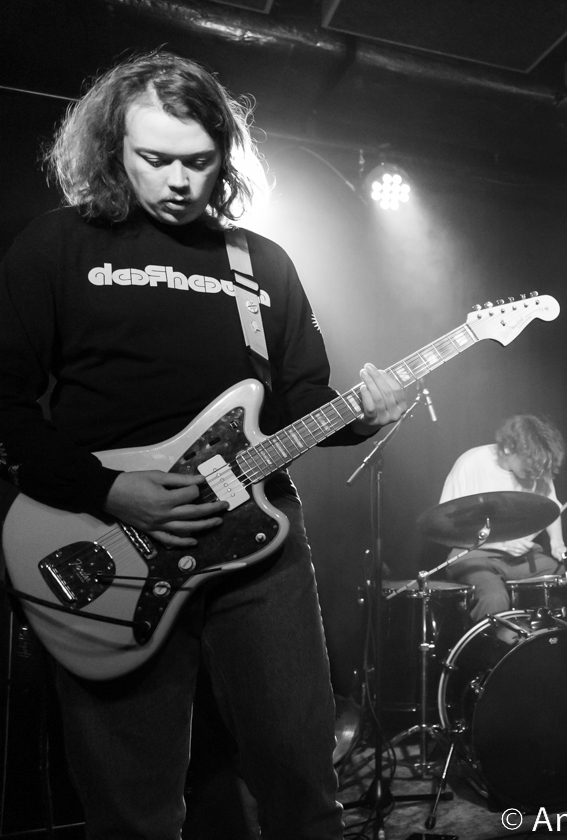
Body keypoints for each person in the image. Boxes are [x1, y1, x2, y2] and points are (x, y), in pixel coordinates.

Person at [0, 52, 405, 838]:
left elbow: (302, 398)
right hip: (107, 535)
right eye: (155, 159)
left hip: (258, 544)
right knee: (133, 803)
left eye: (198, 161)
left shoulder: (261, 262)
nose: (179, 181)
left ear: (224, 156)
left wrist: (366, 414)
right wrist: (106, 490)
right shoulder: (57, 246)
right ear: (114, 147)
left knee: (301, 775)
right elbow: (5, 400)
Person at [437, 414, 567, 619]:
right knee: (494, 598)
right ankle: (490, 640)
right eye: (529, 466)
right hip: (473, 557)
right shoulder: (470, 463)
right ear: (508, 448)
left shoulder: (537, 465)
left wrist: (557, 543)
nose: (535, 474)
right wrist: (502, 544)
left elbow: (551, 507)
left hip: (521, 559)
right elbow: (448, 527)